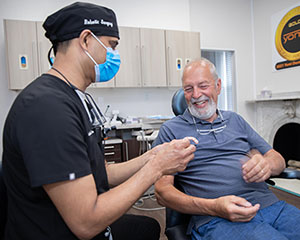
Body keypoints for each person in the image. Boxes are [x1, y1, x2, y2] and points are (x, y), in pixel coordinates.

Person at [1, 2, 197, 240]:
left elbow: (101, 172)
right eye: (111, 46)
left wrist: (152, 156)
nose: (114, 56)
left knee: (146, 228)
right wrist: (156, 169)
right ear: (86, 40)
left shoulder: (74, 97)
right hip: (59, 231)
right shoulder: (47, 108)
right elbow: (86, 222)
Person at [153, 58, 300, 240]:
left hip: (272, 207)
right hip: (217, 218)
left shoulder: (235, 120)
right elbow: (162, 192)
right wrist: (214, 206)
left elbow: (277, 159)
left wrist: (267, 165)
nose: (196, 95)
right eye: (188, 89)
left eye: (203, 86)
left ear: (218, 85)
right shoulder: (171, 130)